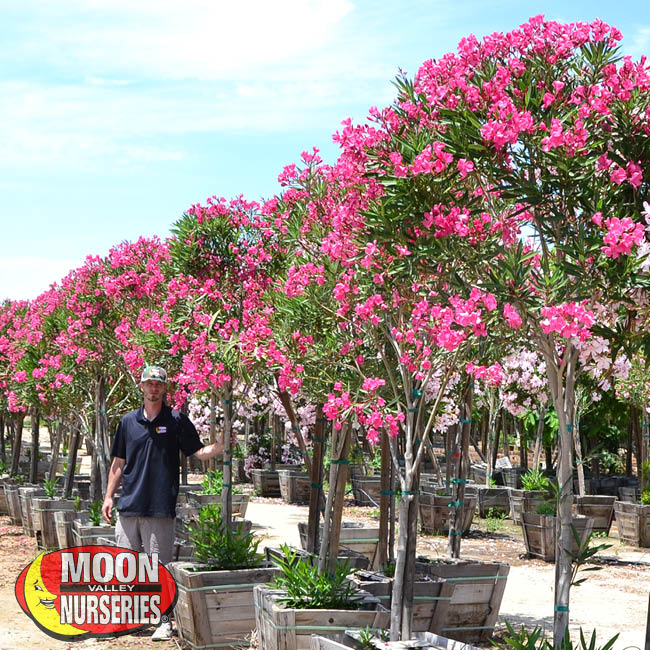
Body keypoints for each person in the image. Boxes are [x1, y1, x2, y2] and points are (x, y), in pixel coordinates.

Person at [102, 365, 224, 641]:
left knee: (160, 567)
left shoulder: (177, 420)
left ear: (164, 388)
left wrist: (217, 447)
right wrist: (109, 496)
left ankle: (164, 621)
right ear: (141, 386)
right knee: (124, 566)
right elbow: (118, 463)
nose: (153, 388)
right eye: (149, 383)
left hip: (160, 505)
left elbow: (196, 451)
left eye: (158, 383)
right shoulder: (127, 422)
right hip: (129, 505)